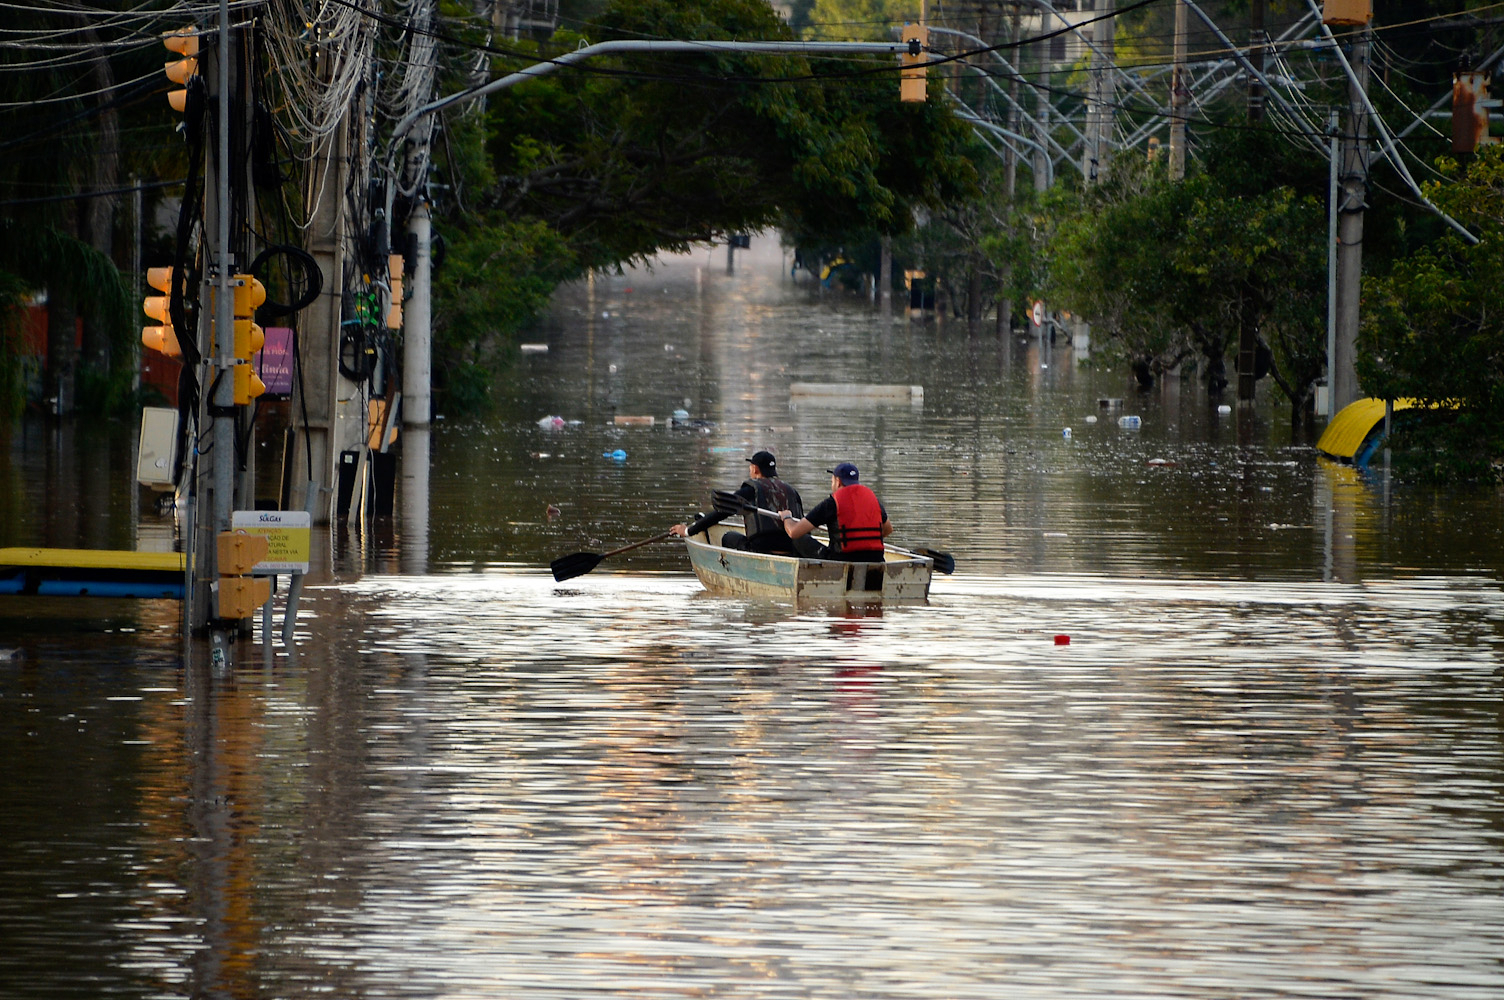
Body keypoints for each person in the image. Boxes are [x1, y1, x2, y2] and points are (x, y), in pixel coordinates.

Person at [669, 450, 806, 554]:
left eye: (751, 467)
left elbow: (722, 512)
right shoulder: (792, 491)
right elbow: (803, 524)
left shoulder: (751, 489)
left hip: (760, 549)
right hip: (793, 548)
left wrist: (688, 531)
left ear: (755, 469)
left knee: (728, 537)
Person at [780, 461, 892, 562]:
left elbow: (794, 532)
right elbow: (888, 530)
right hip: (876, 559)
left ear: (838, 482)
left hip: (841, 560)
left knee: (799, 539)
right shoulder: (873, 500)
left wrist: (787, 518)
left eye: (832, 481)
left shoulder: (832, 503)